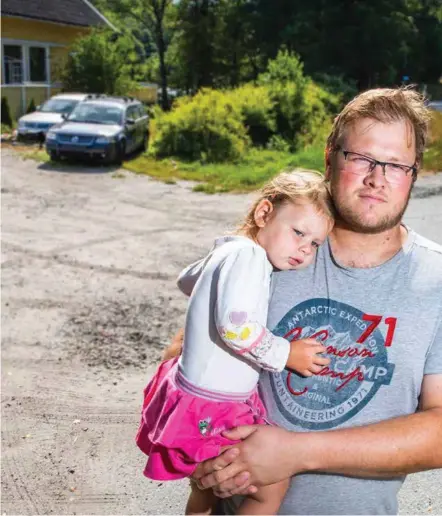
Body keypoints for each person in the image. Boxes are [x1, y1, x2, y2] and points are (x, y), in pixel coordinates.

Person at [189, 87, 442, 515]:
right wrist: (196, 455)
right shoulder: (277, 250)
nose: (377, 178)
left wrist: (298, 452)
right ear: (330, 157)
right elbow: (191, 353)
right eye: (361, 158)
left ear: (414, 173)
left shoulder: (436, 281)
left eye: (396, 165)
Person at [136, 171, 335, 514]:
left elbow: (186, 281)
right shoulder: (250, 258)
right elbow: (236, 328)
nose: (304, 248)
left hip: (193, 393)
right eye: (298, 232)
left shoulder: (229, 249)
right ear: (264, 214)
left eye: (315, 243)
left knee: (206, 485)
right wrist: (288, 353)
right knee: (269, 485)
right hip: (213, 404)